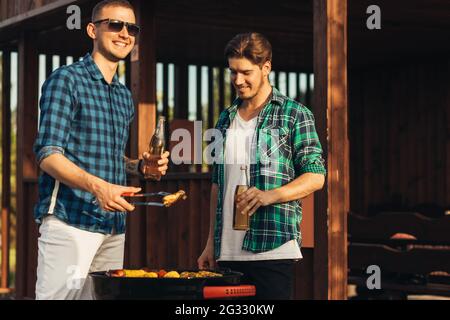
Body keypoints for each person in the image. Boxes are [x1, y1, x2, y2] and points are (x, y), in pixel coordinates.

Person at [33, 0, 169, 300]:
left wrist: (140, 168)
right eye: (115, 24)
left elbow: (111, 159)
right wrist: (98, 188)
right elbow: (47, 153)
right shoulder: (66, 80)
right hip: (70, 222)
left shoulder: (123, 96)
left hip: (112, 227)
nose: (124, 33)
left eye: (131, 27)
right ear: (93, 29)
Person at [197, 32, 326, 300]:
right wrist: (211, 243)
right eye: (233, 72)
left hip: (273, 248)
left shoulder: (295, 114)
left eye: (245, 72)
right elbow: (217, 186)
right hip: (228, 252)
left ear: (266, 67)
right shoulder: (225, 118)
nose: (237, 80)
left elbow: (316, 176)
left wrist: (269, 196)